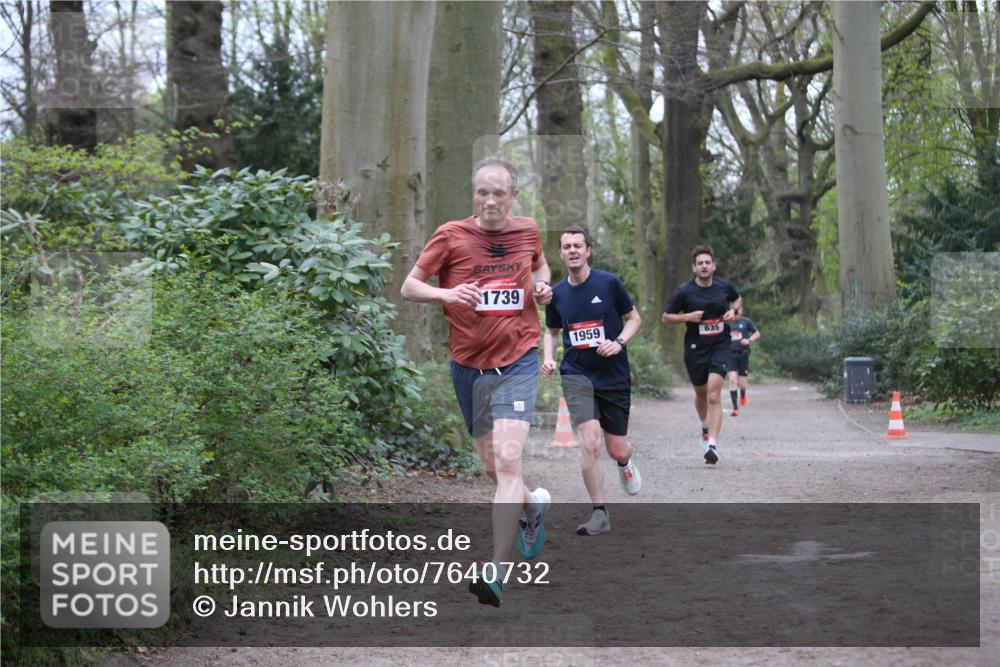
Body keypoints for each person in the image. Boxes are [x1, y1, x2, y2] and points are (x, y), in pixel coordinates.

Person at [400, 156, 552, 608]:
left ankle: (496, 572)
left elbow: (541, 268)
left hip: (519, 360)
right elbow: (409, 286)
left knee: (507, 461)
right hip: (469, 367)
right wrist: (447, 293)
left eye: (498, 193)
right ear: (474, 194)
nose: (489, 201)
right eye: (482, 192)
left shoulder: (528, 230)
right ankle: (532, 505)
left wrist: (543, 287)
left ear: (513, 196)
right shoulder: (450, 236)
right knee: (493, 469)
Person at [541, 225, 642, 536]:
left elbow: (634, 318)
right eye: (567, 246)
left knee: (617, 449)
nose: (572, 250)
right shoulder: (556, 294)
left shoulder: (608, 283)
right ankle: (600, 512)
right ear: (561, 253)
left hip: (613, 375)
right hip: (577, 374)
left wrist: (619, 342)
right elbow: (552, 331)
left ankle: (625, 462)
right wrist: (549, 357)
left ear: (588, 251)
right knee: (590, 441)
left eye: (578, 245)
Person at [661, 245, 742, 465]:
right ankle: (705, 426)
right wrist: (687, 317)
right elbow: (666, 317)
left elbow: (737, 299)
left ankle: (712, 445)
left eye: (708, 262)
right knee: (701, 393)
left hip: (720, 345)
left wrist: (733, 311)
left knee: (714, 395)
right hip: (695, 348)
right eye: (700, 263)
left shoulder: (724, 286)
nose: (704, 266)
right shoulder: (684, 291)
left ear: (714, 266)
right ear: (694, 267)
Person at [726, 306, 760, 416]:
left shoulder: (746, 321)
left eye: (738, 312)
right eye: (735, 313)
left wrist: (748, 340)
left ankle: (743, 395)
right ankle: (735, 409)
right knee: (732, 379)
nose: (736, 315)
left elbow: (757, 333)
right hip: (730, 355)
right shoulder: (726, 322)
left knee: (742, 384)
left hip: (743, 355)